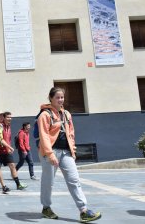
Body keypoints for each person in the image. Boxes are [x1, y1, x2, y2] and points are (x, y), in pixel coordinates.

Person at [38, 87, 101, 222]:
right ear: (51, 98)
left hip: (66, 152)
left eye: (62, 97)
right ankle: (46, 208)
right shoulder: (45, 115)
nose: (61, 100)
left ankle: (83, 210)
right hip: (51, 152)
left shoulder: (66, 114)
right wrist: (50, 154)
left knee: (74, 180)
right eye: (57, 97)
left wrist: (73, 149)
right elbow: (44, 136)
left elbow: (71, 133)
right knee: (48, 182)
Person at [0, 111, 28, 190]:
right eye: (8, 117)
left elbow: (8, 139)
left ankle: (18, 184)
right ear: (3, 118)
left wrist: (9, 147)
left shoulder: (9, 126)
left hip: (7, 151)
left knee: (12, 166)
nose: (10, 119)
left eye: (11, 117)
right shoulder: (0, 126)